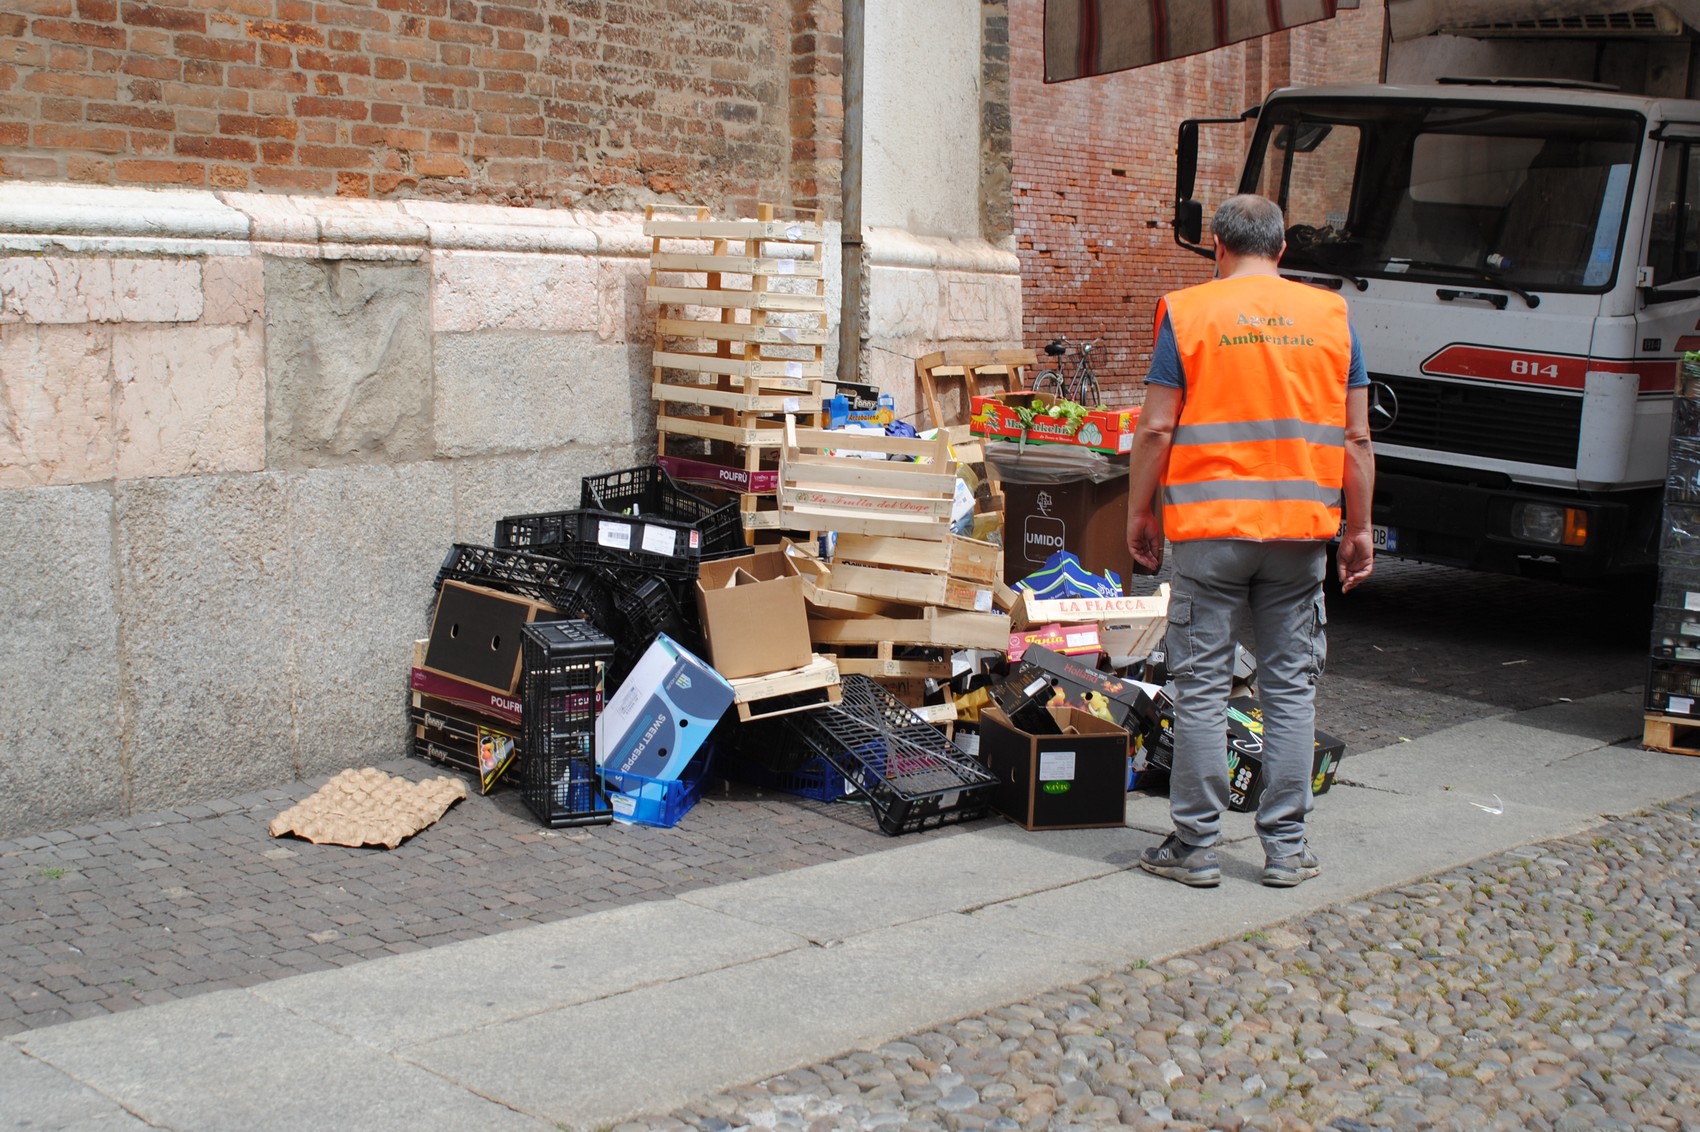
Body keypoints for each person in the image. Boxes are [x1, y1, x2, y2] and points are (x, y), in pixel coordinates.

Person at [1125, 193, 1375, 889]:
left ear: (1216, 247)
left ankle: (1196, 850)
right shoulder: (1331, 317)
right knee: (1291, 691)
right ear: (1283, 250)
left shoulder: (1189, 312)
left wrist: (1138, 514)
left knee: (1201, 689)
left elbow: (1154, 430)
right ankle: (1286, 851)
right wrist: (1358, 527)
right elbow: (1355, 438)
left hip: (1210, 534)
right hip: (1301, 535)